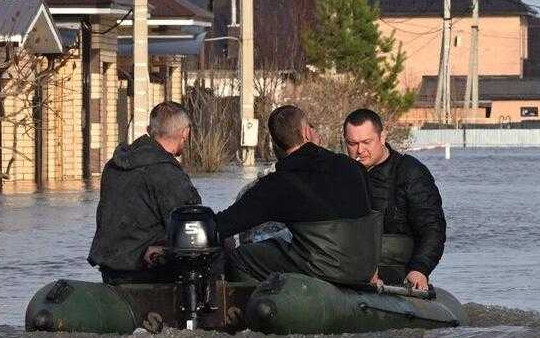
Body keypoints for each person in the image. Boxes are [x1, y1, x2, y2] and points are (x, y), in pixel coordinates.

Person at [217, 105, 381, 286]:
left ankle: (259, 302)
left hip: (323, 270)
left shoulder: (277, 184)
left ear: (275, 144)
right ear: (306, 132)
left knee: (240, 257)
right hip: (365, 268)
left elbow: (225, 224)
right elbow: (372, 216)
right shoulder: (353, 167)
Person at [87, 101, 200, 284]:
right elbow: (190, 226)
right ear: (185, 133)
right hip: (148, 272)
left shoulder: (113, 166)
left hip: (110, 270)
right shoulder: (168, 173)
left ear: (149, 130)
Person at [343, 108, 446, 292]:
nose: (360, 150)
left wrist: (420, 269)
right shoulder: (340, 174)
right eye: (352, 143)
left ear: (382, 137)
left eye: (366, 142)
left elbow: (432, 228)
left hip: (398, 270)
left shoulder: (411, 172)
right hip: (352, 269)